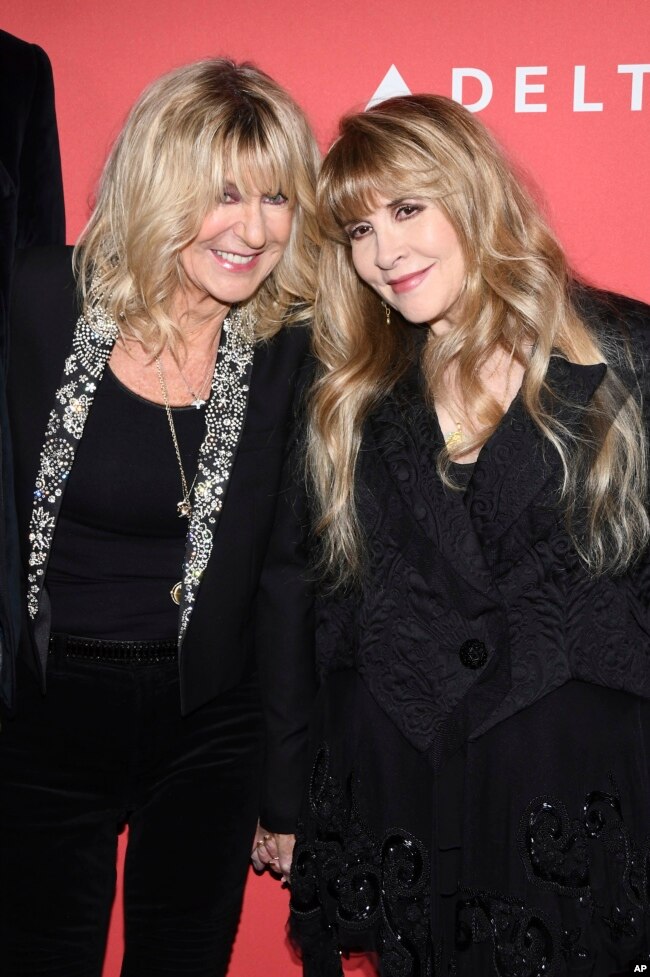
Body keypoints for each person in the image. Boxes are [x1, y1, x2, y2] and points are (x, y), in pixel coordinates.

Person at [289, 94, 650, 977]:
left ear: (475, 194)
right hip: (413, 783)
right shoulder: (352, 393)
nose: (385, 254)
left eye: (408, 209)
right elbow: (330, 609)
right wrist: (294, 787)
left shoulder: (626, 351)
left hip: (575, 784)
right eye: (359, 231)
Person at [0, 58, 318, 976]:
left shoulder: (285, 344)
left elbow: (285, 573)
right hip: (47, 712)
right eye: (224, 193)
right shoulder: (39, 300)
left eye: (276, 197)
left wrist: (286, 787)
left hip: (208, 719)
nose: (254, 230)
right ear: (159, 182)